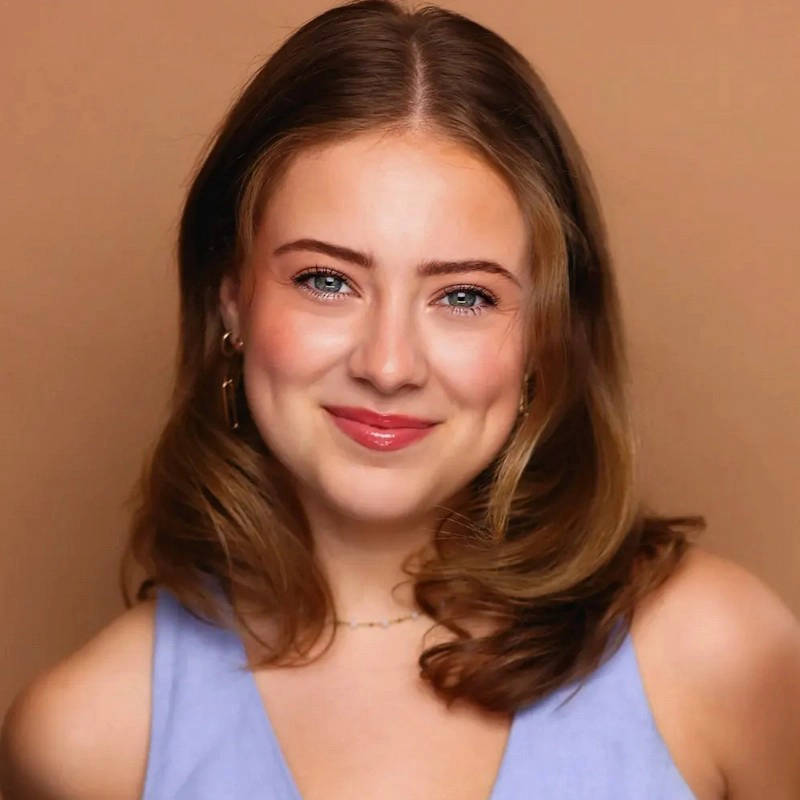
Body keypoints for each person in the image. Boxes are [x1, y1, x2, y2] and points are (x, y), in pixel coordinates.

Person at [2, 0, 799, 797]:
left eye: (464, 296)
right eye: (326, 280)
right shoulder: (89, 739)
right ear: (231, 300)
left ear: (546, 336)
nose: (388, 366)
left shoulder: (723, 655)